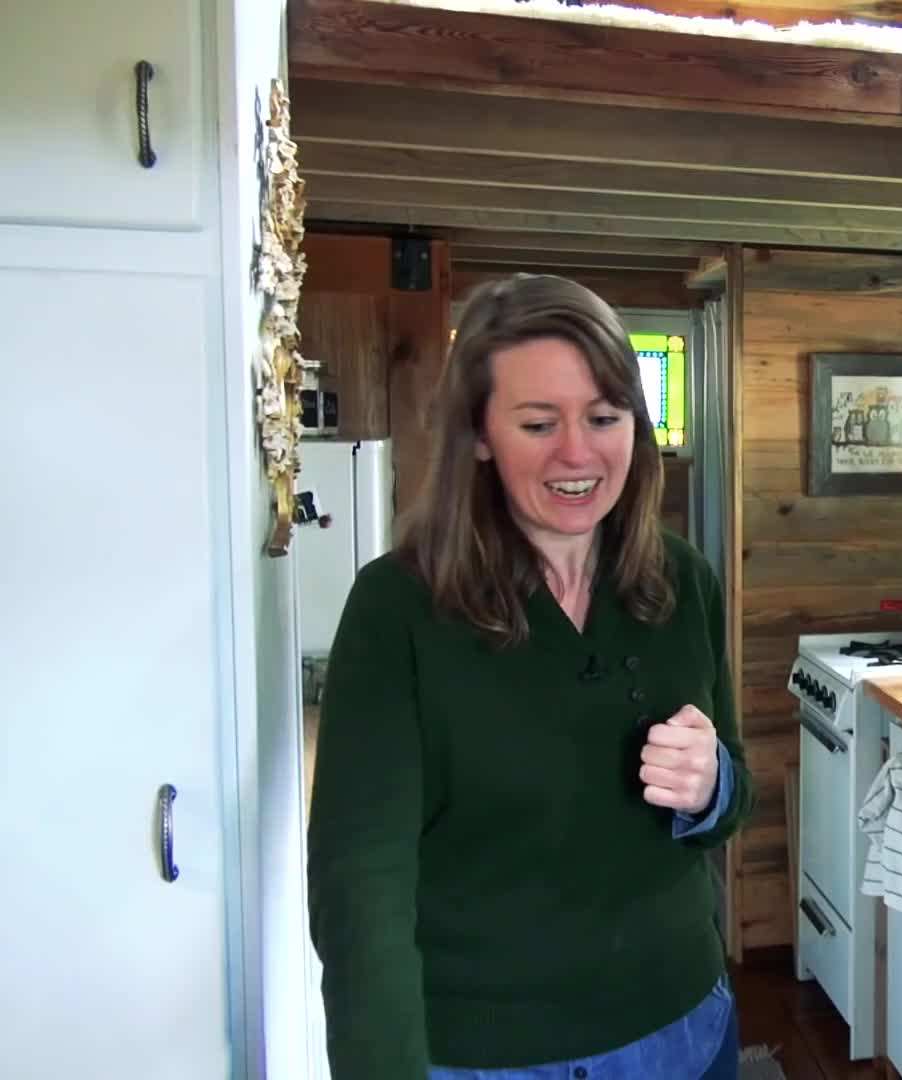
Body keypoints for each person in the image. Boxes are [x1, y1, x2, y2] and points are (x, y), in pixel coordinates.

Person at [307, 274, 753, 1079]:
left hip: (689, 1028)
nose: (578, 454)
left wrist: (712, 784)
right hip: (491, 1057)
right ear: (478, 434)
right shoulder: (396, 609)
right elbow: (358, 887)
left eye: (605, 418)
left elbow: (731, 799)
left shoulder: (682, 580)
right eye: (539, 423)